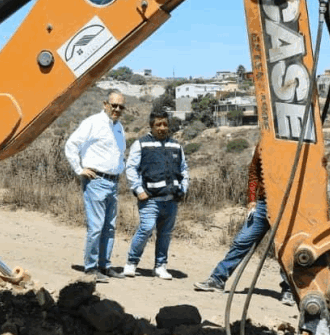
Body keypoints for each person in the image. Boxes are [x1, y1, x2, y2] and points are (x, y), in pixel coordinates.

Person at [194, 146, 294, 305]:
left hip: (286, 205)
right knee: (242, 241)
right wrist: (252, 200)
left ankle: (289, 290)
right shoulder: (264, 144)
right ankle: (217, 279)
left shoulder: (295, 146)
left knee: (284, 249)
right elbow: (254, 173)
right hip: (263, 204)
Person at [64, 92, 128, 282]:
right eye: (113, 105)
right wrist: (79, 168)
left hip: (112, 182)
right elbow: (71, 144)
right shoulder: (93, 122)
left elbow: (118, 152)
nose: (116, 109)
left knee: (109, 227)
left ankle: (104, 265)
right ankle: (91, 268)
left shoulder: (119, 128)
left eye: (120, 107)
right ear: (105, 104)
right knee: (96, 226)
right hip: (96, 180)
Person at [123, 111, 190, 279]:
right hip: (150, 200)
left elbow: (184, 169)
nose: (162, 128)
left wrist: (184, 189)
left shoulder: (176, 146)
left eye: (165, 124)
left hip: (171, 200)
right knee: (146, 229)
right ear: (151, 126)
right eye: (158, 124)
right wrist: (139, 190)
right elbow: (130, 168)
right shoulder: (141, 144)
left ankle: (160, 266)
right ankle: (132, 263)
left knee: (165, 234)